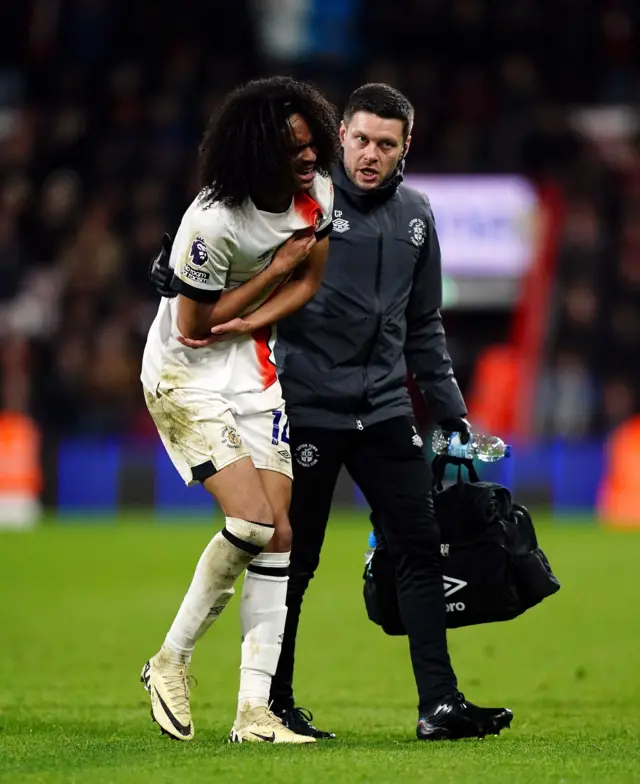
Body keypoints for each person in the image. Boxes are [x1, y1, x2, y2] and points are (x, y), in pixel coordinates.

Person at [157, 83, 513, 742]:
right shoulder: (302, 205)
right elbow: (230, 251)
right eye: (360, 139)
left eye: (386, 143)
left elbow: (423, 323)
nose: (370, 154)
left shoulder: (418, 216)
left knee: (419, 550)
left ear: (406, 149)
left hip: (383, 411)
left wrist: (452, 413)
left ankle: (439, 704)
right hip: (307, 405)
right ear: (339, 136)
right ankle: (276, 702)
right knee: (294, 558)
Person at [140, 75, 338, 745]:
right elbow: (196, 326)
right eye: (294, 151)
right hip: (184, 372)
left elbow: (310, 278)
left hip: (252, 368)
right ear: (257, 156)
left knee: (279, 534)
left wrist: (256, 312)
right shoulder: (213, 220)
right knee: (251, 524)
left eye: (312, 143)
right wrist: (271, 272)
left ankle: (255, 715)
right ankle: (170, 661)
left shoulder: (319, 195)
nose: (309, 159)